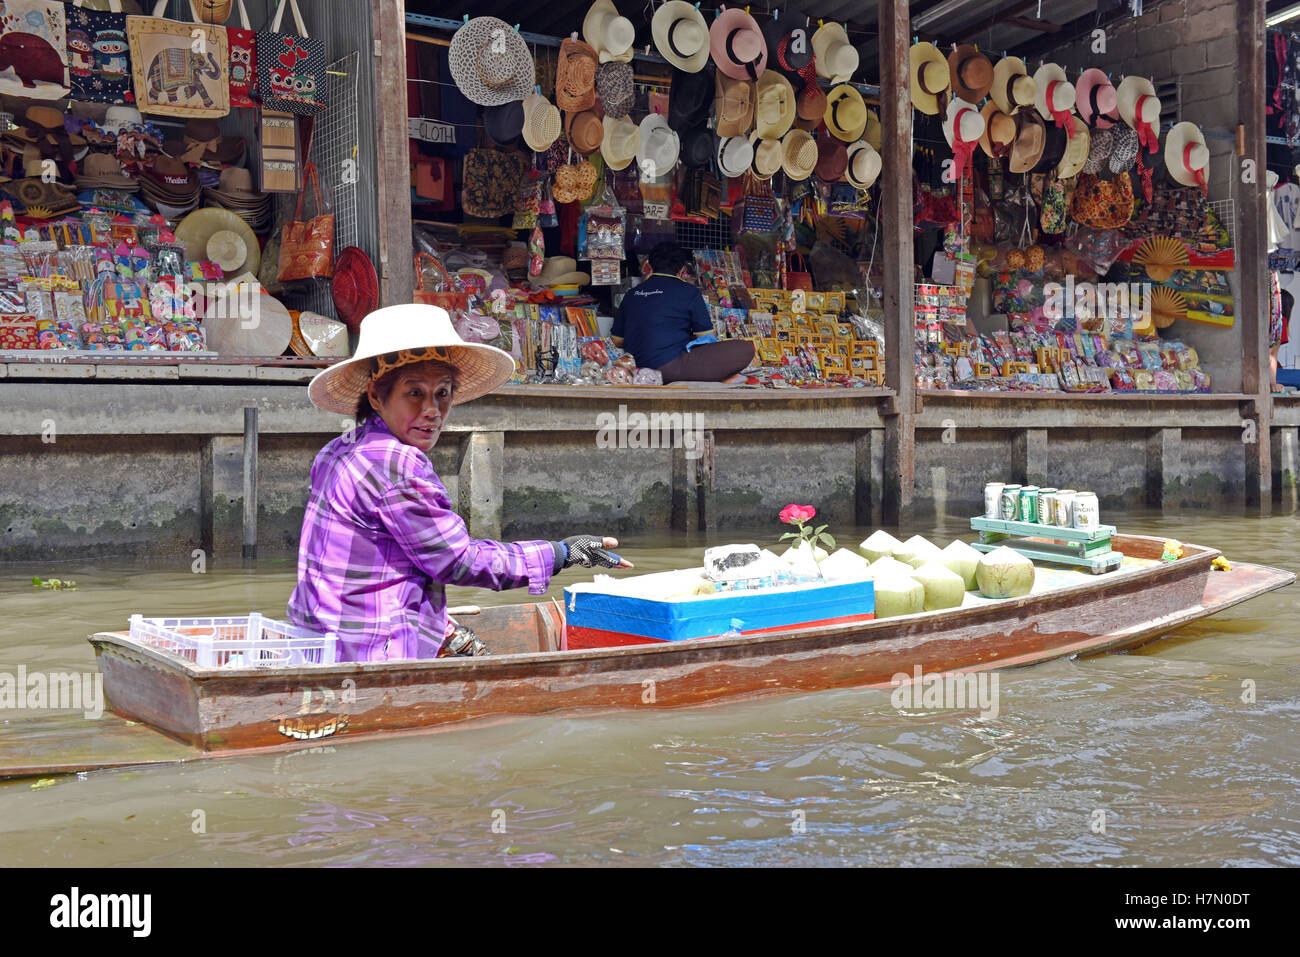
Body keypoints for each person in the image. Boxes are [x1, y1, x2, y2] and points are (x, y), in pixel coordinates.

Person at [287, 304, 631, 661]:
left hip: (316, 639)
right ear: (376, 396)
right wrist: (560, 553)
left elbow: (390, 566)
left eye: (443, 393)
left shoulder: (337, 448)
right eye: (415, 393)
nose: (433, 410)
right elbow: (457, 561)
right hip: (365, 650)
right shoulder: (395, 462)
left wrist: (441, 628)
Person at [612, 241, 754, 384]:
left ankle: (722, 375)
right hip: (667, 368)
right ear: (682, 269)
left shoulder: (631, 294)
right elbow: (706, 338)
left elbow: (616, 340)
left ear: (650, 265)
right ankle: (722, 376)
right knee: (745, 348)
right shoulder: (689, 292)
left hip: (633, 367)